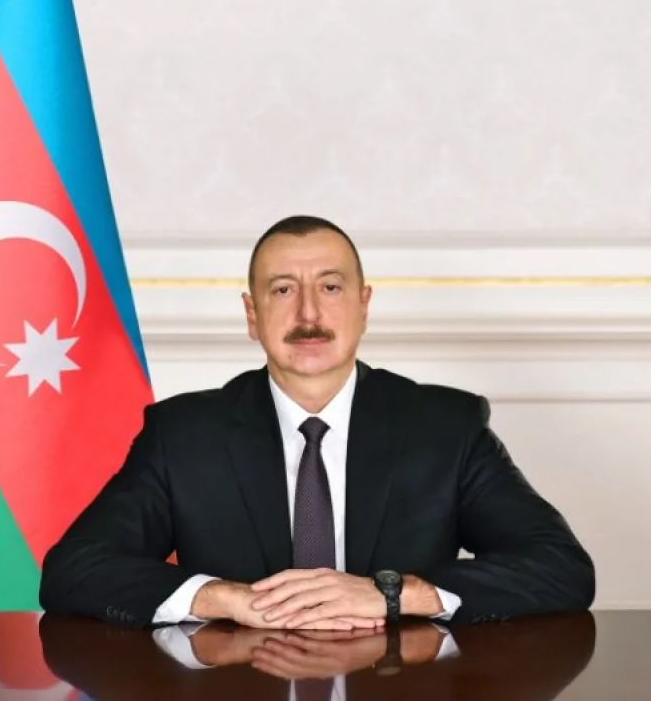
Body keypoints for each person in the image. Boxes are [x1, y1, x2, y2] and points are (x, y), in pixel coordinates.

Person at [39, 215, 595, 630]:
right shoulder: (183, 434)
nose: (309, 314)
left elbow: (561, 567)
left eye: (330, 288)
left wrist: (393, 595)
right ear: (252, 314)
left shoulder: (445, 426)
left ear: (363, 306)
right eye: (283, 290)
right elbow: (73, 570)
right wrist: (224, 598)